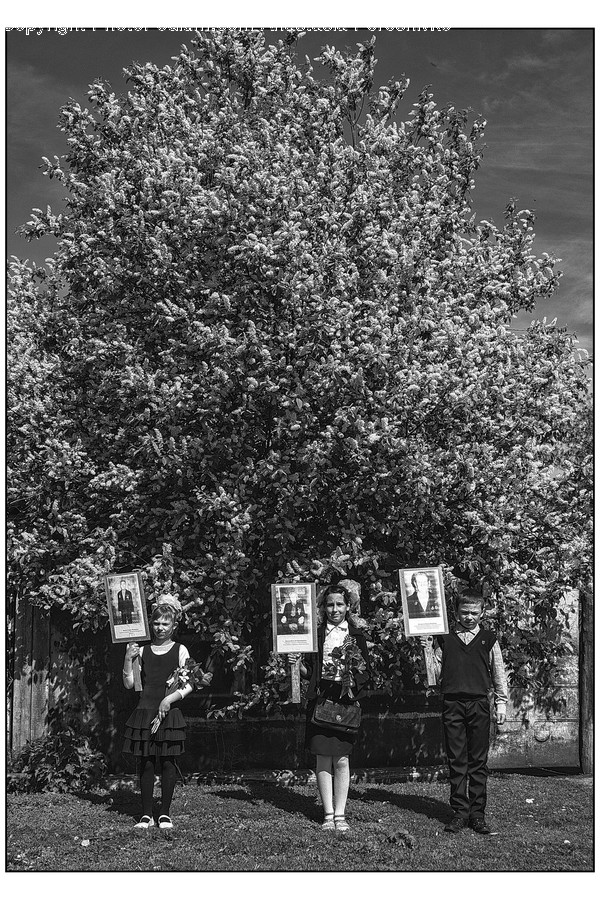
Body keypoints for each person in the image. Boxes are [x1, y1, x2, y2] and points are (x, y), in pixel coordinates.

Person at [421, 587, 508, 835]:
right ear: (456, 613)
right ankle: (460, 812)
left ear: (482, 613)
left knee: (478, 762)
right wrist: (426, 650)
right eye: (464, 612)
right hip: (452, 704)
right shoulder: (445, 639)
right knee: (457, 760)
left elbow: (499, 673)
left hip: (479, 704)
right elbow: (434, 675)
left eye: (474, 613)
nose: (469, 617)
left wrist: (501, 703)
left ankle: (477, 814)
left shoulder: (488, 639)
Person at [122, 594, 212, 830]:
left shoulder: (180, 649)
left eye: (165, 624)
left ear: (173, 626)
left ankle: (164, 813)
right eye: (156, 623)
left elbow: (191, 682)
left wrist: (169, 700)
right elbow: (131, 684)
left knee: (168, 761)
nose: (160, 628)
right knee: (147, 761)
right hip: (145, 709)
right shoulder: (142, 651)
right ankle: (146, 813)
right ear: (150, 625)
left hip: (167, 711)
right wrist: (126, 660)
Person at [288, 584, 370, 833]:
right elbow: (310, 674)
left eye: (340, 604)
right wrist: (297, 664)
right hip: (321, 699)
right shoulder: (316, 635)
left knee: (342, 759)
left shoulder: (356, 636)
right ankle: (328, 813)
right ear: (323, 607)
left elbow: (367, 673)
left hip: (345, 699)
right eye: (330, 604)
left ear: (348, 606)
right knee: (323, 757)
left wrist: (350, 677)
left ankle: (342, 814)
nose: (335, 609)